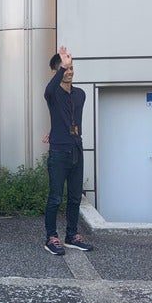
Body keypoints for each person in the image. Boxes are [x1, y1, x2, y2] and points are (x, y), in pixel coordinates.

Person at [43, 46, 93, 255]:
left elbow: (66, 119)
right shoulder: (53, 94)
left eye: (71, 68)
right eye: (65, 69)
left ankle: (72, 235)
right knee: (55, 197)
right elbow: (49, 91)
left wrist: (53, 130)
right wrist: (62, 67)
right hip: (59, 153)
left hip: (76, 150)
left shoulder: (80, 94)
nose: (69, 72)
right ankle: (51, 237)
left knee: (75, 197)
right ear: (56, 72)